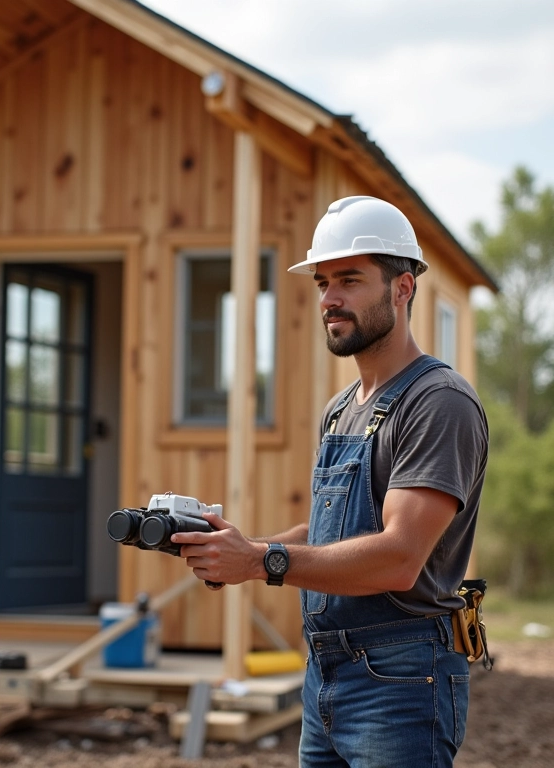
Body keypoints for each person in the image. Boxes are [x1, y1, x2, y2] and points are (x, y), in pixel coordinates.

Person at [172, 195, 489, 768]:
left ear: (403, 288)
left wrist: (261, 561)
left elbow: (398, 558)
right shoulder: (341, 408)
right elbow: (330, 535)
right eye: (322, 283)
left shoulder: (438, 402)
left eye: (349, 280)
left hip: (401, 680)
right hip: (326, 673)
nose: (329, 299)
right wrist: (235, 549)